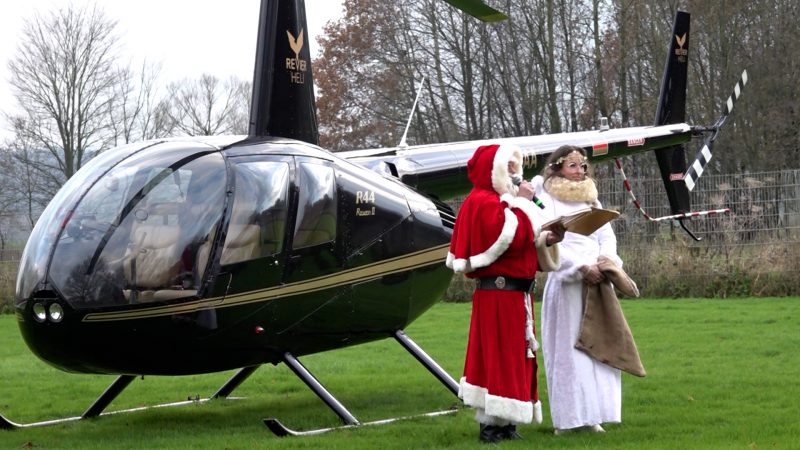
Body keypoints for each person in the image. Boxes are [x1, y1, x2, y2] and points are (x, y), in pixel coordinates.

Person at [447, 143, 564, 443]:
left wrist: (547, 238)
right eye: (509, 166)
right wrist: (524, 204)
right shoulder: (483, 201)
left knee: (514, 358)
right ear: (495, 169)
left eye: (517, 165)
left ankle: (506, 423)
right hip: (498, 295)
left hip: (516, 296)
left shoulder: (504, 202)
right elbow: (506, 238)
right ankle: (491, 426)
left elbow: (523, 239)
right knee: (499, 358)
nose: (516, 172)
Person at [532, 145, 625, 435]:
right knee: (568, 352)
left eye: (582, 166)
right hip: (567, 284)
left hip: (597, 281)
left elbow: (606, 236)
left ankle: (595, 414)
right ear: (558, 167)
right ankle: (569, 418)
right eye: (573, 166)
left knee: (598, 346)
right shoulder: (545, 199)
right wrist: (579, 267)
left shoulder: (591, 200)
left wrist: (605, 262)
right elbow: (546, 239)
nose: (579, 171)